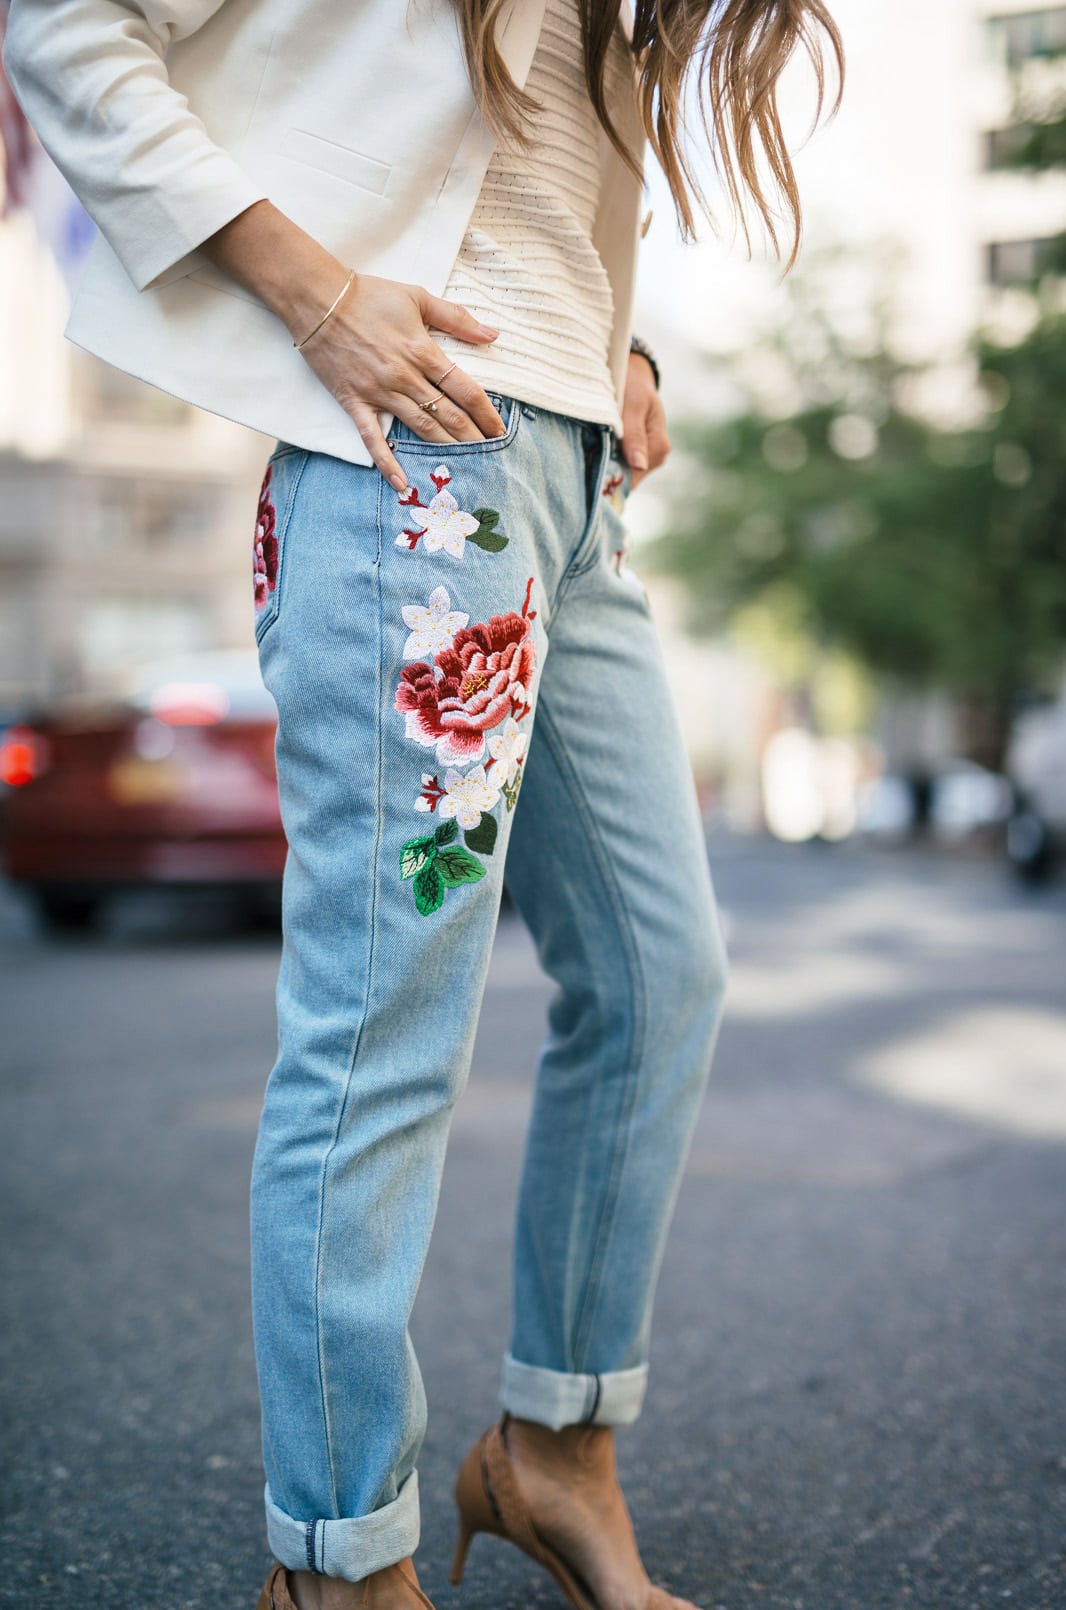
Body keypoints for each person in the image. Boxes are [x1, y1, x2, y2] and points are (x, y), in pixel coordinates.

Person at [3, 0, 842, 1605]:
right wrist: (314, 297)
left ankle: (552, 1452)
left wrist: (620, 353)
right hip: (412, 468)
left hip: (573, 471)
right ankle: (337, 1555)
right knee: (383, 1024)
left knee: (664, 975)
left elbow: (534, 163)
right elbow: (66, 21)